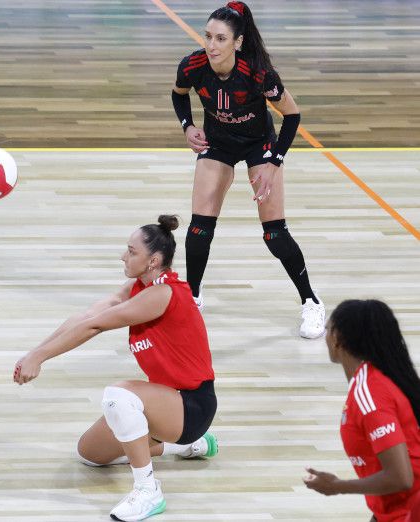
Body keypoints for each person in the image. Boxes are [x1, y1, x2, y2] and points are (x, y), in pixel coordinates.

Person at [14, 215, 218, 521]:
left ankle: (148, 492)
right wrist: (34, 352)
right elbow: (86, 316)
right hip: (165, 401)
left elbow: (95, 326)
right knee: (89, 454)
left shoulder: (163, 294)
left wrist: (41, 358)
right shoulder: (137, 287)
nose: (123, 255)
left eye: (131, 251)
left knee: (118, 396)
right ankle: (188, 448)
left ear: (154, 260)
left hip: (192, 405)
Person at [170, 1, 325, 338]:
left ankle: (311, 302)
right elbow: (179, 94)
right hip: (219, 143)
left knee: (274, 233)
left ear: (237, 42)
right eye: (208, 36)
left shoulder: (258, 73)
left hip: (259, 145)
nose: (212, 45)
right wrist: (188, 126)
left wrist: (273, 162)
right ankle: (191, 299)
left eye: (221, 39)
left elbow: (293, 116)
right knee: (199, 228)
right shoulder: (193, 65)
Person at [304, 300, 420, 521]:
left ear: (337, 339)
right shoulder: (372, 382)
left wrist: (338, 486)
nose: (325, 336)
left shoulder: (369, 394)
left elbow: (400, 477)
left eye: (327, 329)